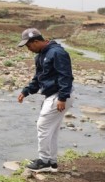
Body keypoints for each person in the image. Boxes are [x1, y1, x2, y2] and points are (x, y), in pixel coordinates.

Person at [17, 28, 74, 172]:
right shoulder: (41, 56)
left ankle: (44, 161)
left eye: (29, 46)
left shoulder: (57, 53)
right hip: (53, 95)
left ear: (36, 41)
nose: (28, 49)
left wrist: (62, 97)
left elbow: (65, 76)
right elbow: (38, 78)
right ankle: (52, 162)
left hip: (59, 95)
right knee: (52, 130)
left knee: (42, 126)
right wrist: (26, 91)